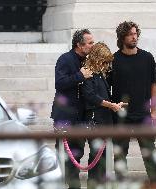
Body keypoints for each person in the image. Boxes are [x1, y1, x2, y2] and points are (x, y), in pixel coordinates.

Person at [109, 21, 156, 188]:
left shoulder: (147, 57)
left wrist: (154, 110)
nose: (134, 37)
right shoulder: (114, 60)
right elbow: (106, 87)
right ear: (122, 37)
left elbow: (154, 85)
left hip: (143, 114)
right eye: (130, 34)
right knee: (119, 155)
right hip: (121, 115)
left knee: (149, 153)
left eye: (135, 33)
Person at [50, 29, 95, 189]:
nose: (92, 45)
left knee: (77, 153)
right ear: (79, 44)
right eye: (90, 43)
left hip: (81, 118)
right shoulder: (65, 59)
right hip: (65, 118)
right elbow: (60, 83)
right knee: (64, 156)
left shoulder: (88, 61)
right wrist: (80, 76)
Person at [80, 42, 125, 188]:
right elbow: (91, 96)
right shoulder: (87, 73)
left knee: (104, 158)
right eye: (104, 61)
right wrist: (110, 105)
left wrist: (116, 104)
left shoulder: (101, 74)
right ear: (97, 58)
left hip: (105, 120)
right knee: (96, 158)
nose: (106, 64)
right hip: (95, 121)